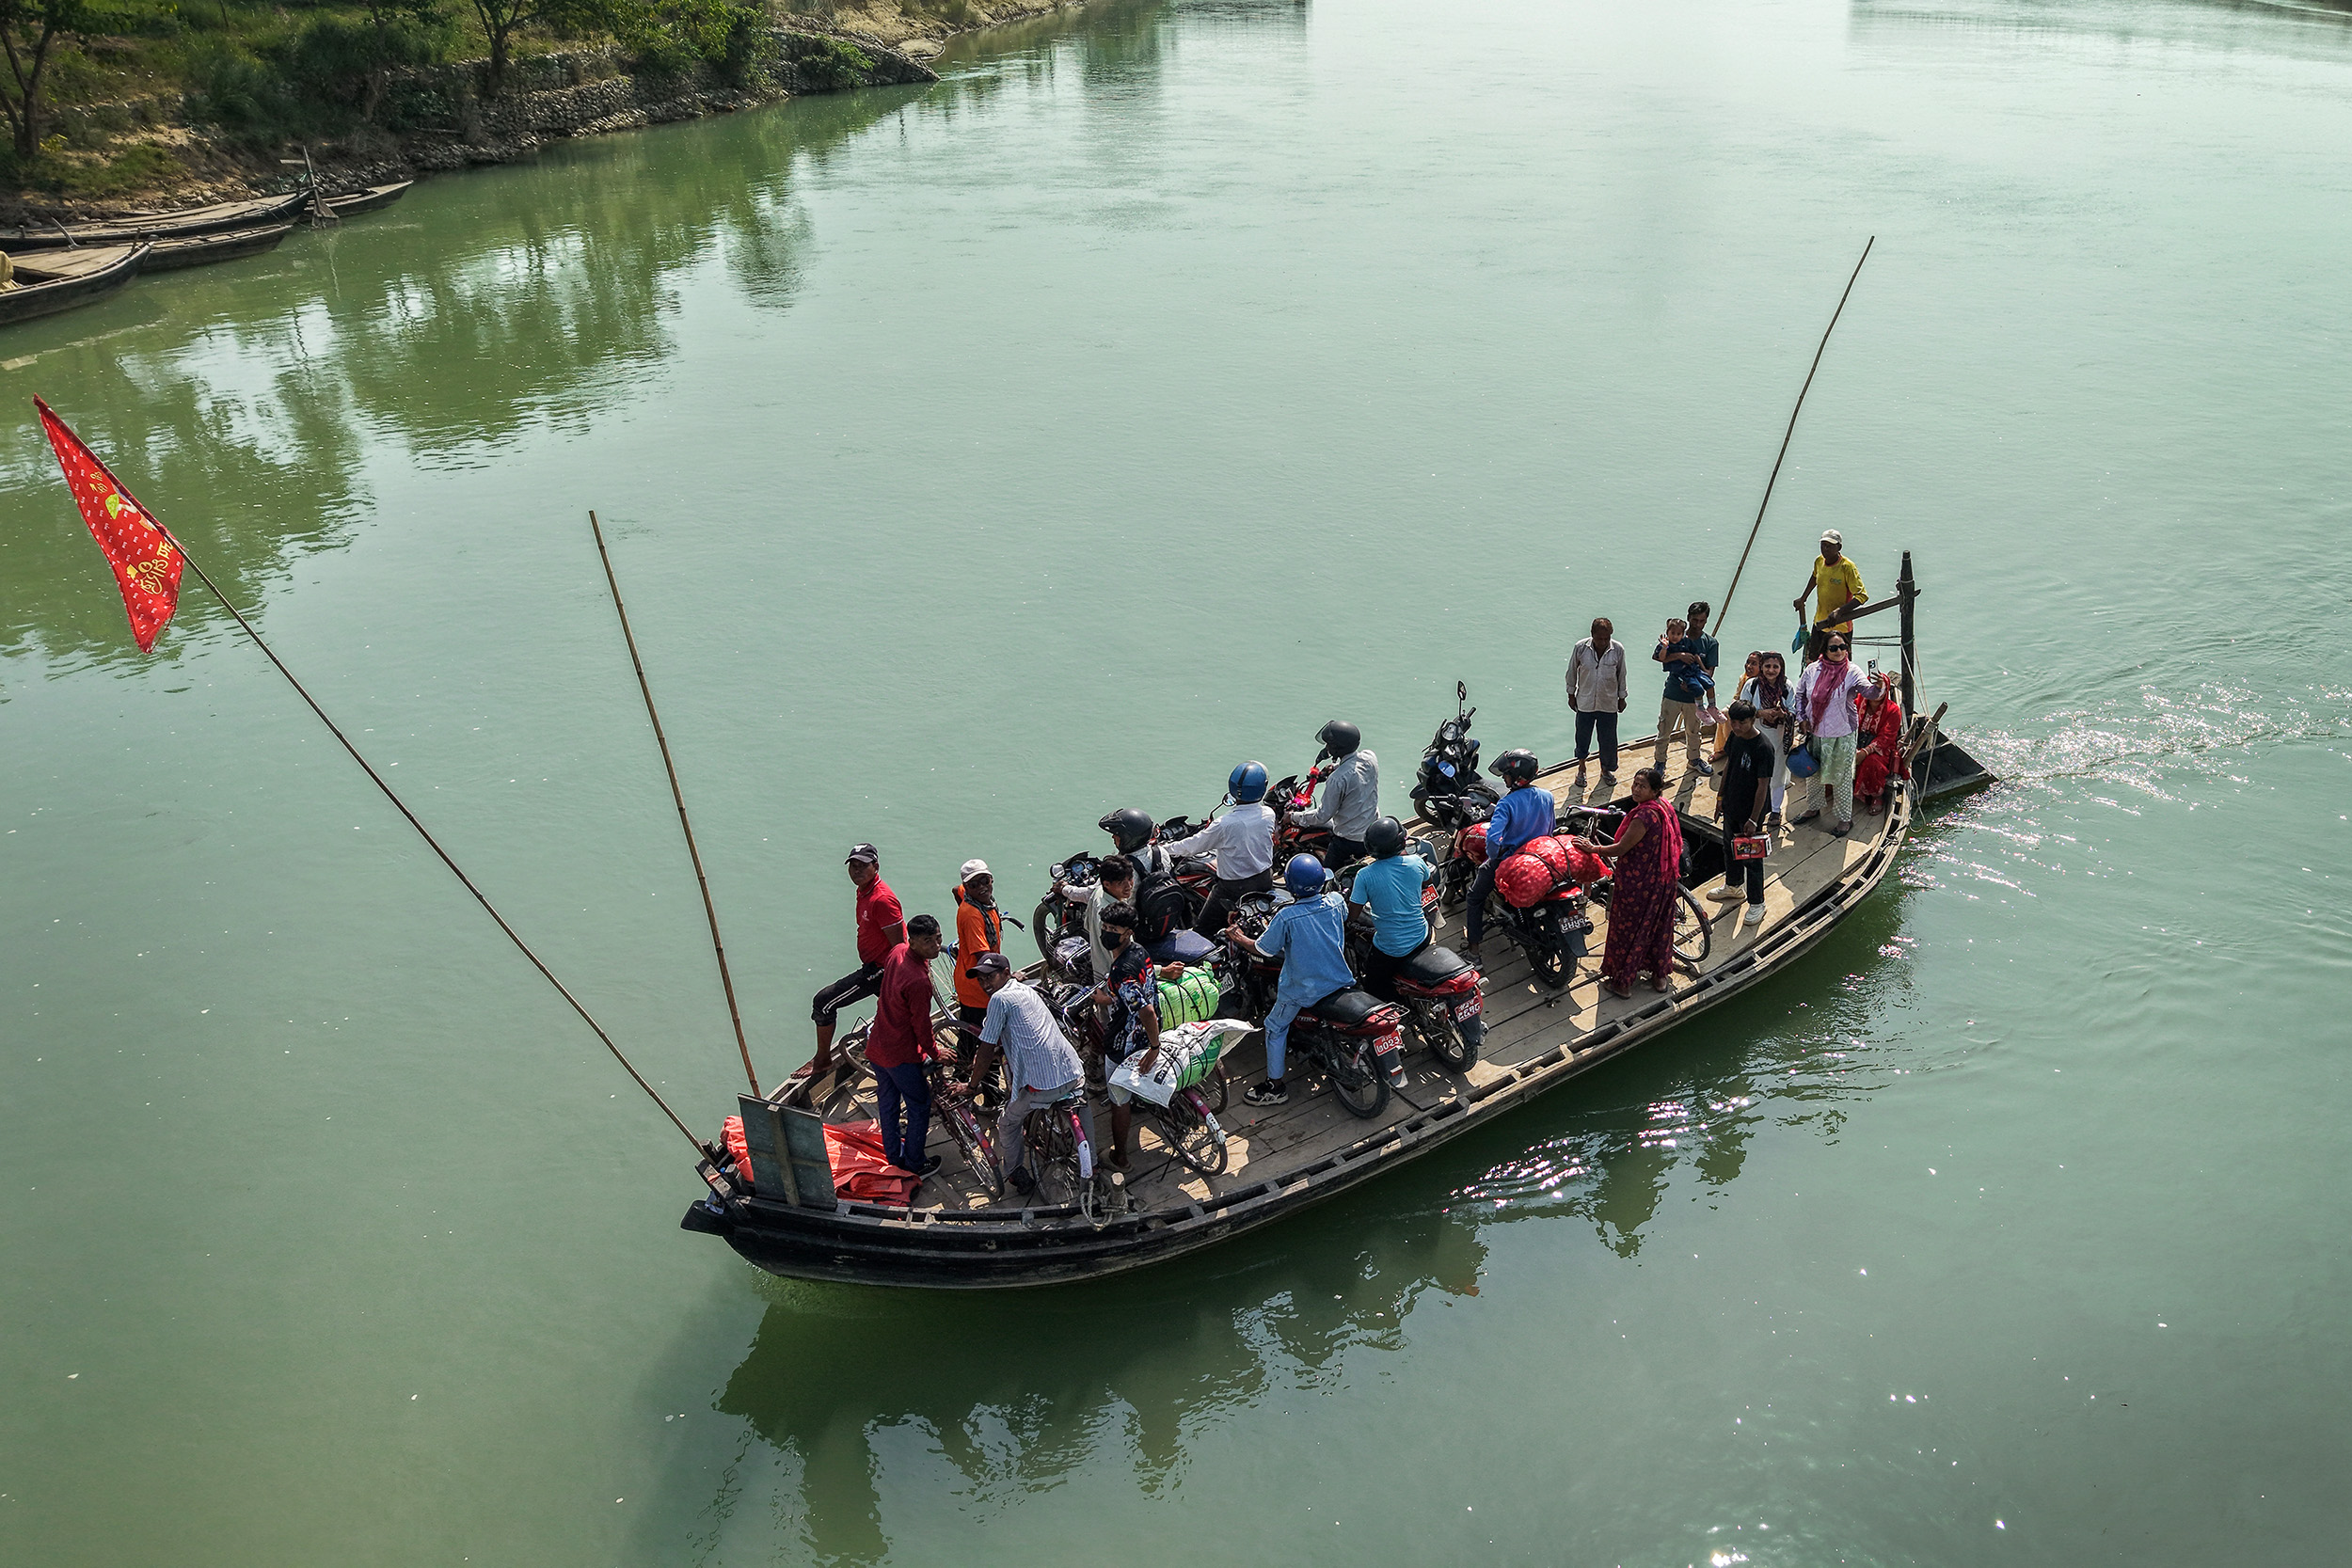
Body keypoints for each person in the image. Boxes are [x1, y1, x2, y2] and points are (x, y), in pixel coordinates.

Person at [1225, 854, 1356, 1108]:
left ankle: (1274, 1086)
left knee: (1274, 1027)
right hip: (1340, 978)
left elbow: (1263, 949)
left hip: (1302, 991)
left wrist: (1238, 937)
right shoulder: (1337, 902)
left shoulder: (1285, 918)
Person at [964, 951, 1095, 1197]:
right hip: (1073, 1071)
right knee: (1083, 1104)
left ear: (1005, 975)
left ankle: (1014, 1171)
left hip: (1042, 1085)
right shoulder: (1027, 990)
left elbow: (986, 1049)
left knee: (1007, 1122)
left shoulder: (999, 1001)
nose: (984, 984)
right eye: (981, 980)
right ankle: (1093, 1164)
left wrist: (971, 1087)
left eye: (989, 978)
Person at [1579, 768, 1686, 998]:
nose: (1636, 790)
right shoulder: (1665, 807)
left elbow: (1620, 848)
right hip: (1664, 879)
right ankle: (1659, 977)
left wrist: (1593, 848)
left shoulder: (1643, 817)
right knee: (1659, 927)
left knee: (1627, 931)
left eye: (1643, 786)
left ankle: (1622, 983)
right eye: (1635, 784)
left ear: (1655, 790)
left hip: (1639, 883)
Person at [803, 843, 904, 1082]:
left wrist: (894, 980)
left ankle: (822, 1059)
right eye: (853, 866)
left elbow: (900, 947)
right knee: (899, 1023)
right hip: (874, 966)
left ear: (876, 866)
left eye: (863, 866)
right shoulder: (864, 890)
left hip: (880, 971)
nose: (856, 871)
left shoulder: (882, 900)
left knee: (824, 1002)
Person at [862, 913, 945, 1179]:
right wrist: (936, 1052)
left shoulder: (897, 951)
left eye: (938, 939)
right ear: (914, 941)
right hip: (900, 1054)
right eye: (928, 942)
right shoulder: (919, 982)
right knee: (919, 1105)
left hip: (878, 1045)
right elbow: (921, 1026)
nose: (935, 947)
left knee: (888, 1103)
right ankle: (915, 1163)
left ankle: (894, 1157)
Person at [1087, 901, 1164, 1173]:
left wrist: (1154, 1048)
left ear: (1128, 932)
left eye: (1114, 929)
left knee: (1118, 1099)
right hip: (1148, 1031)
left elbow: (1145, 1009)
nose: (1106, 932)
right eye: (1104, 927)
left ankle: (1120, 1158)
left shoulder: (1121, 971)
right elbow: (1136, 994)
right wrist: (1105, 999)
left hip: (1127, 1041)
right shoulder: (1139, 952)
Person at [1463, 748, 1554, 968]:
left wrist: (1495, 859)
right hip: (1542, 858)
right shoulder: (1547, 796)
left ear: (1516, 778)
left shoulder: (1507, 803)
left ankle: (1474, 953)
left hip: (1514, 861)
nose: (1504, 779)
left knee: (1474, 898)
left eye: (1506, 775)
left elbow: (1493, 839)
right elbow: (1551, 829)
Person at [1171, 762, 1279, 936]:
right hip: (1265, 879)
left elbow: (1192, 846)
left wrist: (1164, 849)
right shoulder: (1268, 813)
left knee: (1202, 930)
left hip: (1233, 888)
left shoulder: (1225, 824)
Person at [1349, 816, 1438, 999]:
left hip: (1392, 948)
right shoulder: (1416, 862)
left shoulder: (1364, 876)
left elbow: (1353, 915)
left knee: (1373, 984)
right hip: (1422, 935)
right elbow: (1427, 884)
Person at [1705, 705, 1775, 927]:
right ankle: (1734, 885)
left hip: (1751, 809)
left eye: (1741, 722)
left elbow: (1763, 785)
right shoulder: (1735, 738)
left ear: (1753, 720)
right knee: (1729, 846)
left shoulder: (1763, 747)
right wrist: (1719, 798)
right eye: (1733, 722)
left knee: (1752, 858)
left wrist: (1754, 819)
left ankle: (1757, 902)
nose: (1736, 726)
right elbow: (1728, 767)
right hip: (1731, 804)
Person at [1793, 633, 1868, 834]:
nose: (1839, 651)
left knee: (1841, 777)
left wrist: (1877, 687)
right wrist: (1802, 718)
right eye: (1833, 648)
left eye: (1843, 647)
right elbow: (1800, 695)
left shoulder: (1852, 671)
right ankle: (1813, 808)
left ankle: (1845, 819)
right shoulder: (1812, 670)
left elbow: (1869, 691)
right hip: (1815, 732)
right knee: (1813, 773)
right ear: (1824, 650)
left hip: (1841, 733)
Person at [1292, 721, 1379, 863]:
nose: (1326, 747)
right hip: (1372, 830)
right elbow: (1354, 766)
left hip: (1350, 841)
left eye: (1328, 744)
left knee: (1327, 874)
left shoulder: (1337, 779)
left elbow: (1322, 816)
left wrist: (1294, 817)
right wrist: (1336, 766)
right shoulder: (1370, 758)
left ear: (1336, 747)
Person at [1652, 603, 1720, 777]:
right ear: (1688, 618)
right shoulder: (1675, 636)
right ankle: (1660, 763)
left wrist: (1696, 681)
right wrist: (1679, 655)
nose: (1698, 624)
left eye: (1702, 621)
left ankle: (1694, 760)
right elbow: (1659, 657)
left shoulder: (1710, 643)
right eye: (1695, 620)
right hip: (1673, 692)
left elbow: (1709, 672)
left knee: (1694, 731)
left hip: (1694, 697)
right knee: (1664, 730)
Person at [949, 860, 1002, 1059]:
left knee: (969, 1040)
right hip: (977, 987)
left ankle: (962, 1077)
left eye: (985, 881)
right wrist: (1009, 975)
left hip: (973, 982)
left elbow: (957, 890)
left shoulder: (976, 900)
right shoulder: (972, 915)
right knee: (984, 1043)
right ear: (968, 887)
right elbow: (984, 958)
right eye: (974, 885)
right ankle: (972, 1083)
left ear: (991, 879)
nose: (982, 887)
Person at [1565, 617, 1629, 781]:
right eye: (1599, 638)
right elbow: (1572, 671)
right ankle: (1581, 768)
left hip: (1608, 702)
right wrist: (1571, 694)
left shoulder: (1618, 650)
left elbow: (1622, 674)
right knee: (1582, 737)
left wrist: (1622, 697)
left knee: (1608, 739)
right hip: (1585, 701)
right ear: (1592, 634)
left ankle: (1605, 770)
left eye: (1606, 638)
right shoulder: (1580, 648)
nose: (1603, 642)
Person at [1792, 529, 1867, 662]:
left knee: (1841, 663)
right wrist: (1803, 598)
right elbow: (1815, 576)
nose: (1825, 549)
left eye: (1829, 546)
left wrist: (1839, 611)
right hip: (1820, 622)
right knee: (1813, 661)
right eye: (1823, 545)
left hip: (1840, 627)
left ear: (1839, 547)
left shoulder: (1847, 567)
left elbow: (1861, 596)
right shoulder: (1819, 561)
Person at [1741, 650, 1796, 826]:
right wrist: (1761, 713)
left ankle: (1775, 810)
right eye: (1767, 666)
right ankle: (1754, 808)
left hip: (1778, 737)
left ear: (1781, 668)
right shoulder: (1751, 685)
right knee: (1753, 772)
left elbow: (1794, 711)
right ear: (1762, 667)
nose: (1771, 670)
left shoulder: (1787, 687)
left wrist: (1782, 714)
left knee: (1777, 773)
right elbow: (1742, 709)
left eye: (1775, 667)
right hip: (1755, 736)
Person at [1851, 673, 1905, 814]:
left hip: (1880, 748)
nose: (1877, 693)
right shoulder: (1857, 702)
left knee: (1872, 763)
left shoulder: (1893, 710)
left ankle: (1876, 796)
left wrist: (1866, 751)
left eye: (1881, 689)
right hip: (1855, 740)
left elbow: (1887, 737)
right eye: (1874, 688)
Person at [1711, 650, 1764, 765]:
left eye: (1754, 664)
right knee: (1724, 714)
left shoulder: (1764, 683)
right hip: (1742, 708)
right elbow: (1737, 697)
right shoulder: (1743, 678)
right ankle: (1723, 748)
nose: (1749, 666)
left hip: (1757, 715)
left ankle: (1737, 748)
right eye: (1748, 662)